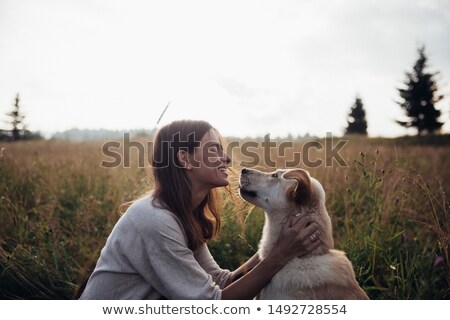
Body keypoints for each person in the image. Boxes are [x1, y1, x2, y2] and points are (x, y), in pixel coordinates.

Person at [79, 120, 320, 299]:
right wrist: (281, 255)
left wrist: (276, 246)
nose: (226, 158)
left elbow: (221, 282)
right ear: (185, 159)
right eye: (214, 149)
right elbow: (213, 306)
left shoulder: (182, 214)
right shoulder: (153, 220)